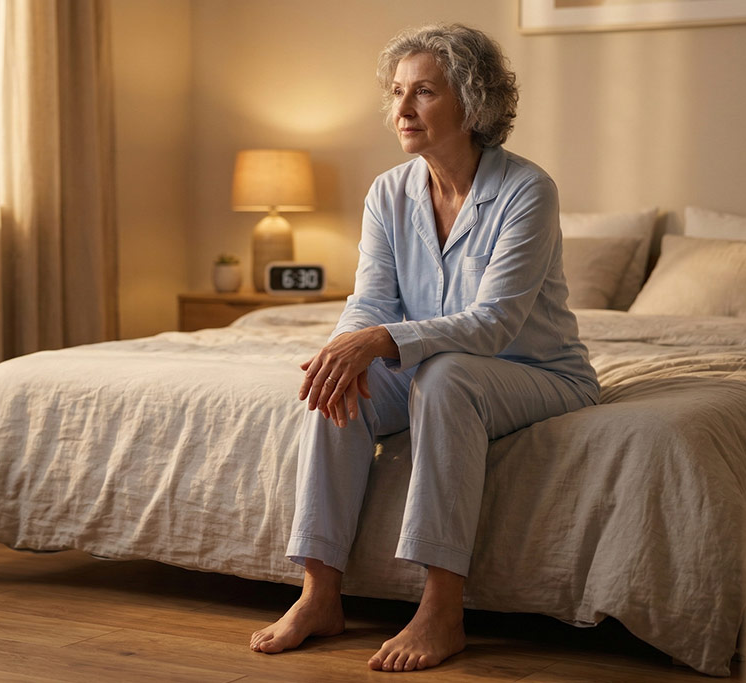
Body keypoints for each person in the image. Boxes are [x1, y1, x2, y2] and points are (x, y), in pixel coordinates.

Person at [249, 23, 599, 672]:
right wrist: (345, 350)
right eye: (397, 92)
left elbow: (493, 323)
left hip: (537, 370)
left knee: (444, 377)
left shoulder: (527, 190)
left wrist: (383, 339)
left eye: (424, 92)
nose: (402, 109)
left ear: (474, 102)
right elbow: (369, 305)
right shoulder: (388, 192)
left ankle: (442, 606)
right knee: (337, 379)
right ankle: (320, 591)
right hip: (434, 363)